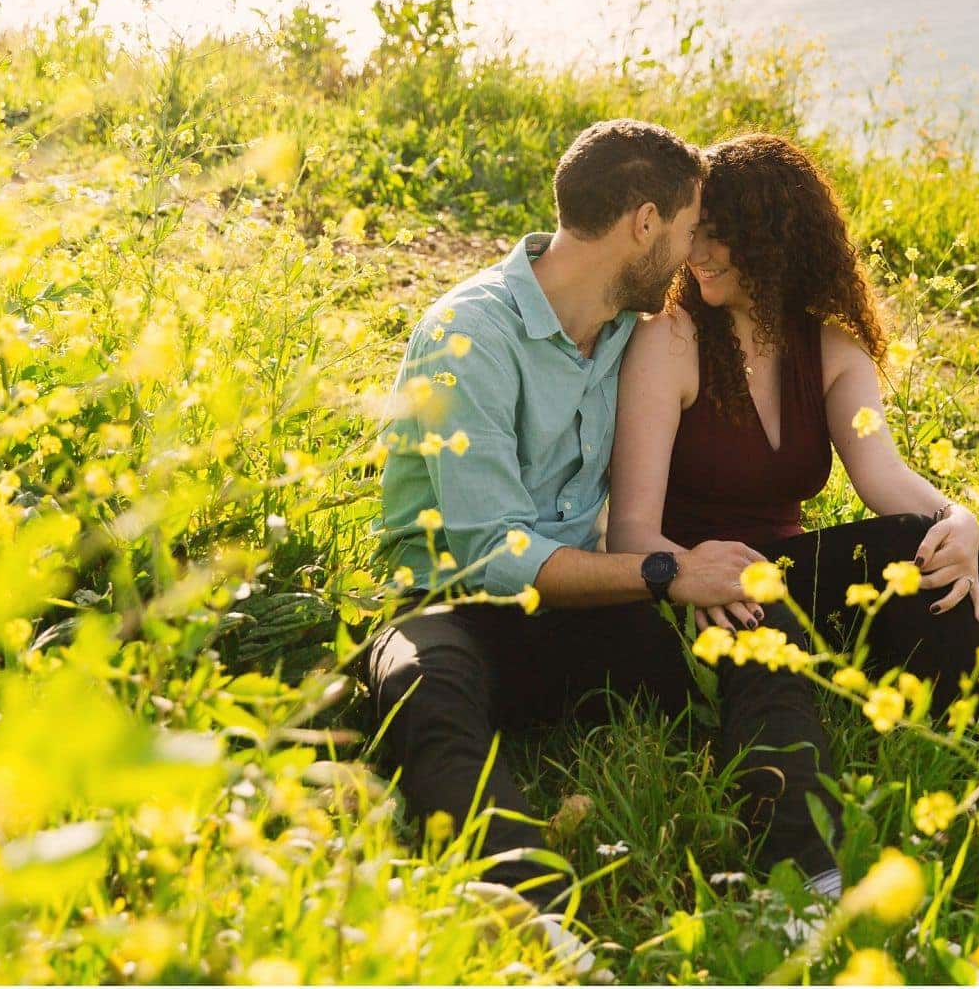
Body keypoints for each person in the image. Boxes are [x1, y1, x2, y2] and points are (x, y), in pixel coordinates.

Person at [359, 120, 846, 952]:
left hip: (579, 614)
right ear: (645, 224)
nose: (698, 256)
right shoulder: (468, 336)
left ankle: (807, 881)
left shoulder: (629, 327)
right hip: (456, 610)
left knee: (756, 619)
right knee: (420, 685)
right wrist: (665, 570)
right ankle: (532, 911)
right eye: (693, 230)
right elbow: (487, 557)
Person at [608, 132, 979, 765]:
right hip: (699, 600)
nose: (696, 254)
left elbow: (881, 475)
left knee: (932, 546)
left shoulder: (832, 348)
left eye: (717, 233)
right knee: (905, 545)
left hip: (791, 586)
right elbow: (631, 533)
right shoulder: (670, 341)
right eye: (692, 231)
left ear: (774, 239)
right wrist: (694, 573)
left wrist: (959, 519)